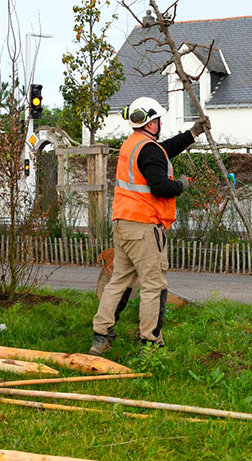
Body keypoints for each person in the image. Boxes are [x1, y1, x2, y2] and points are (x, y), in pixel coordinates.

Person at [89, 97, 209, 355]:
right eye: (157, 120)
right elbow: (161, 186)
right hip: (144, 228)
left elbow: (162, 151)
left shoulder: (133, 145)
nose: (160, 123)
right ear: (150, 122)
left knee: (119, 281)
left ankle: (101, 336)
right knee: (154, 285)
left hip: (123, 225)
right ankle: (151, 345)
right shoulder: (149, 149)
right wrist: (183, 185)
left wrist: (191, 134)